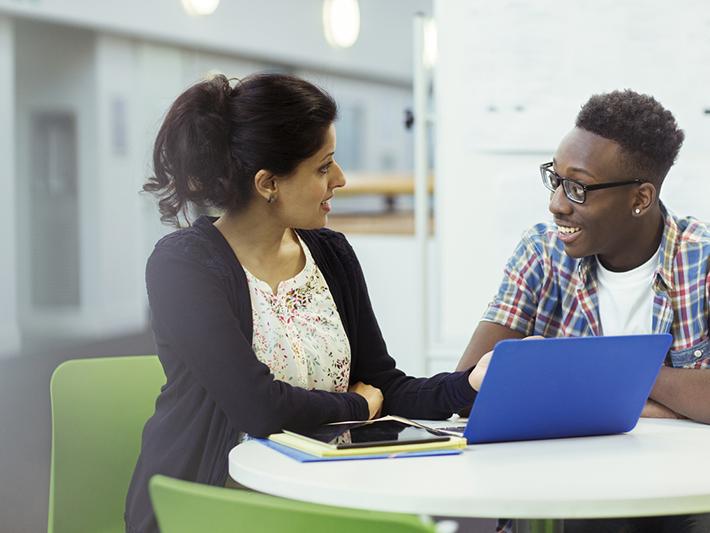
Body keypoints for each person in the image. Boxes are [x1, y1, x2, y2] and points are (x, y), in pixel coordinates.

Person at [125, 73, 478, 533]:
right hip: (216, 509)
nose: (341, 179)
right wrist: (356, 408)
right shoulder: (184, 267)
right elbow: (259, 408)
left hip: (326, 498)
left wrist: (469, 384)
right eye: (323, 166)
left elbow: (382, 386)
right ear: (268, 183)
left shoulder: (331, 254)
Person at [457, 90, 710, 533]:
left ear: (641, 198)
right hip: (564, 487)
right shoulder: (541, 252)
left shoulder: (701, 259)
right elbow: (469, 387)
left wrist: (597, 380)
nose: (557, 203)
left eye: (578, 188)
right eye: (554, 180)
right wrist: (656, 399)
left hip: (682, 495)